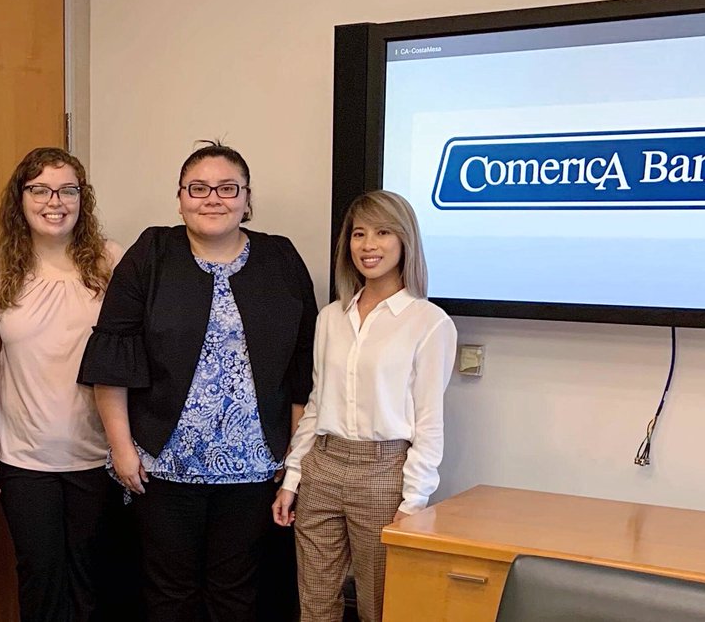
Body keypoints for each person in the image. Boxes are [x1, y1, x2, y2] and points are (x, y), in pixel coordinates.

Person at [78, 141, 318, 621]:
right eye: (199, 188)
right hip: (164, 464)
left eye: (227, 188)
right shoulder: (152, 252)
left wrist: (294, 454)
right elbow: (113, 356)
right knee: (169, 592)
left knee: (236, 591)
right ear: (181, 197)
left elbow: (302, 366)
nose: (213, 199)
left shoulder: (281, 258)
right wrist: (122, 448)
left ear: (247, 198)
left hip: (254, 467)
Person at [272, 190, 457, 622]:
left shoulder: (429, 323)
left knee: (380, 605)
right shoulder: (331, 317)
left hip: (385, 472)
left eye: (382, 232)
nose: (368, 245)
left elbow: (429, 421)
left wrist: (414, 501)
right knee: (315, 604)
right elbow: (318, 403)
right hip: (324, 465)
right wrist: (293, 476)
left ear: (405, 240)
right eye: (359, 234)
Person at [0, 147, 122, 621]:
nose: (53, 201)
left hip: (97, 455)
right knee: (39, 577)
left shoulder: (112, 262)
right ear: (21, 198)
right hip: (23, 457)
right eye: (39, 189)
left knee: (92, 579)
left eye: (67, 190)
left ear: (83, 198)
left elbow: (131, 359)